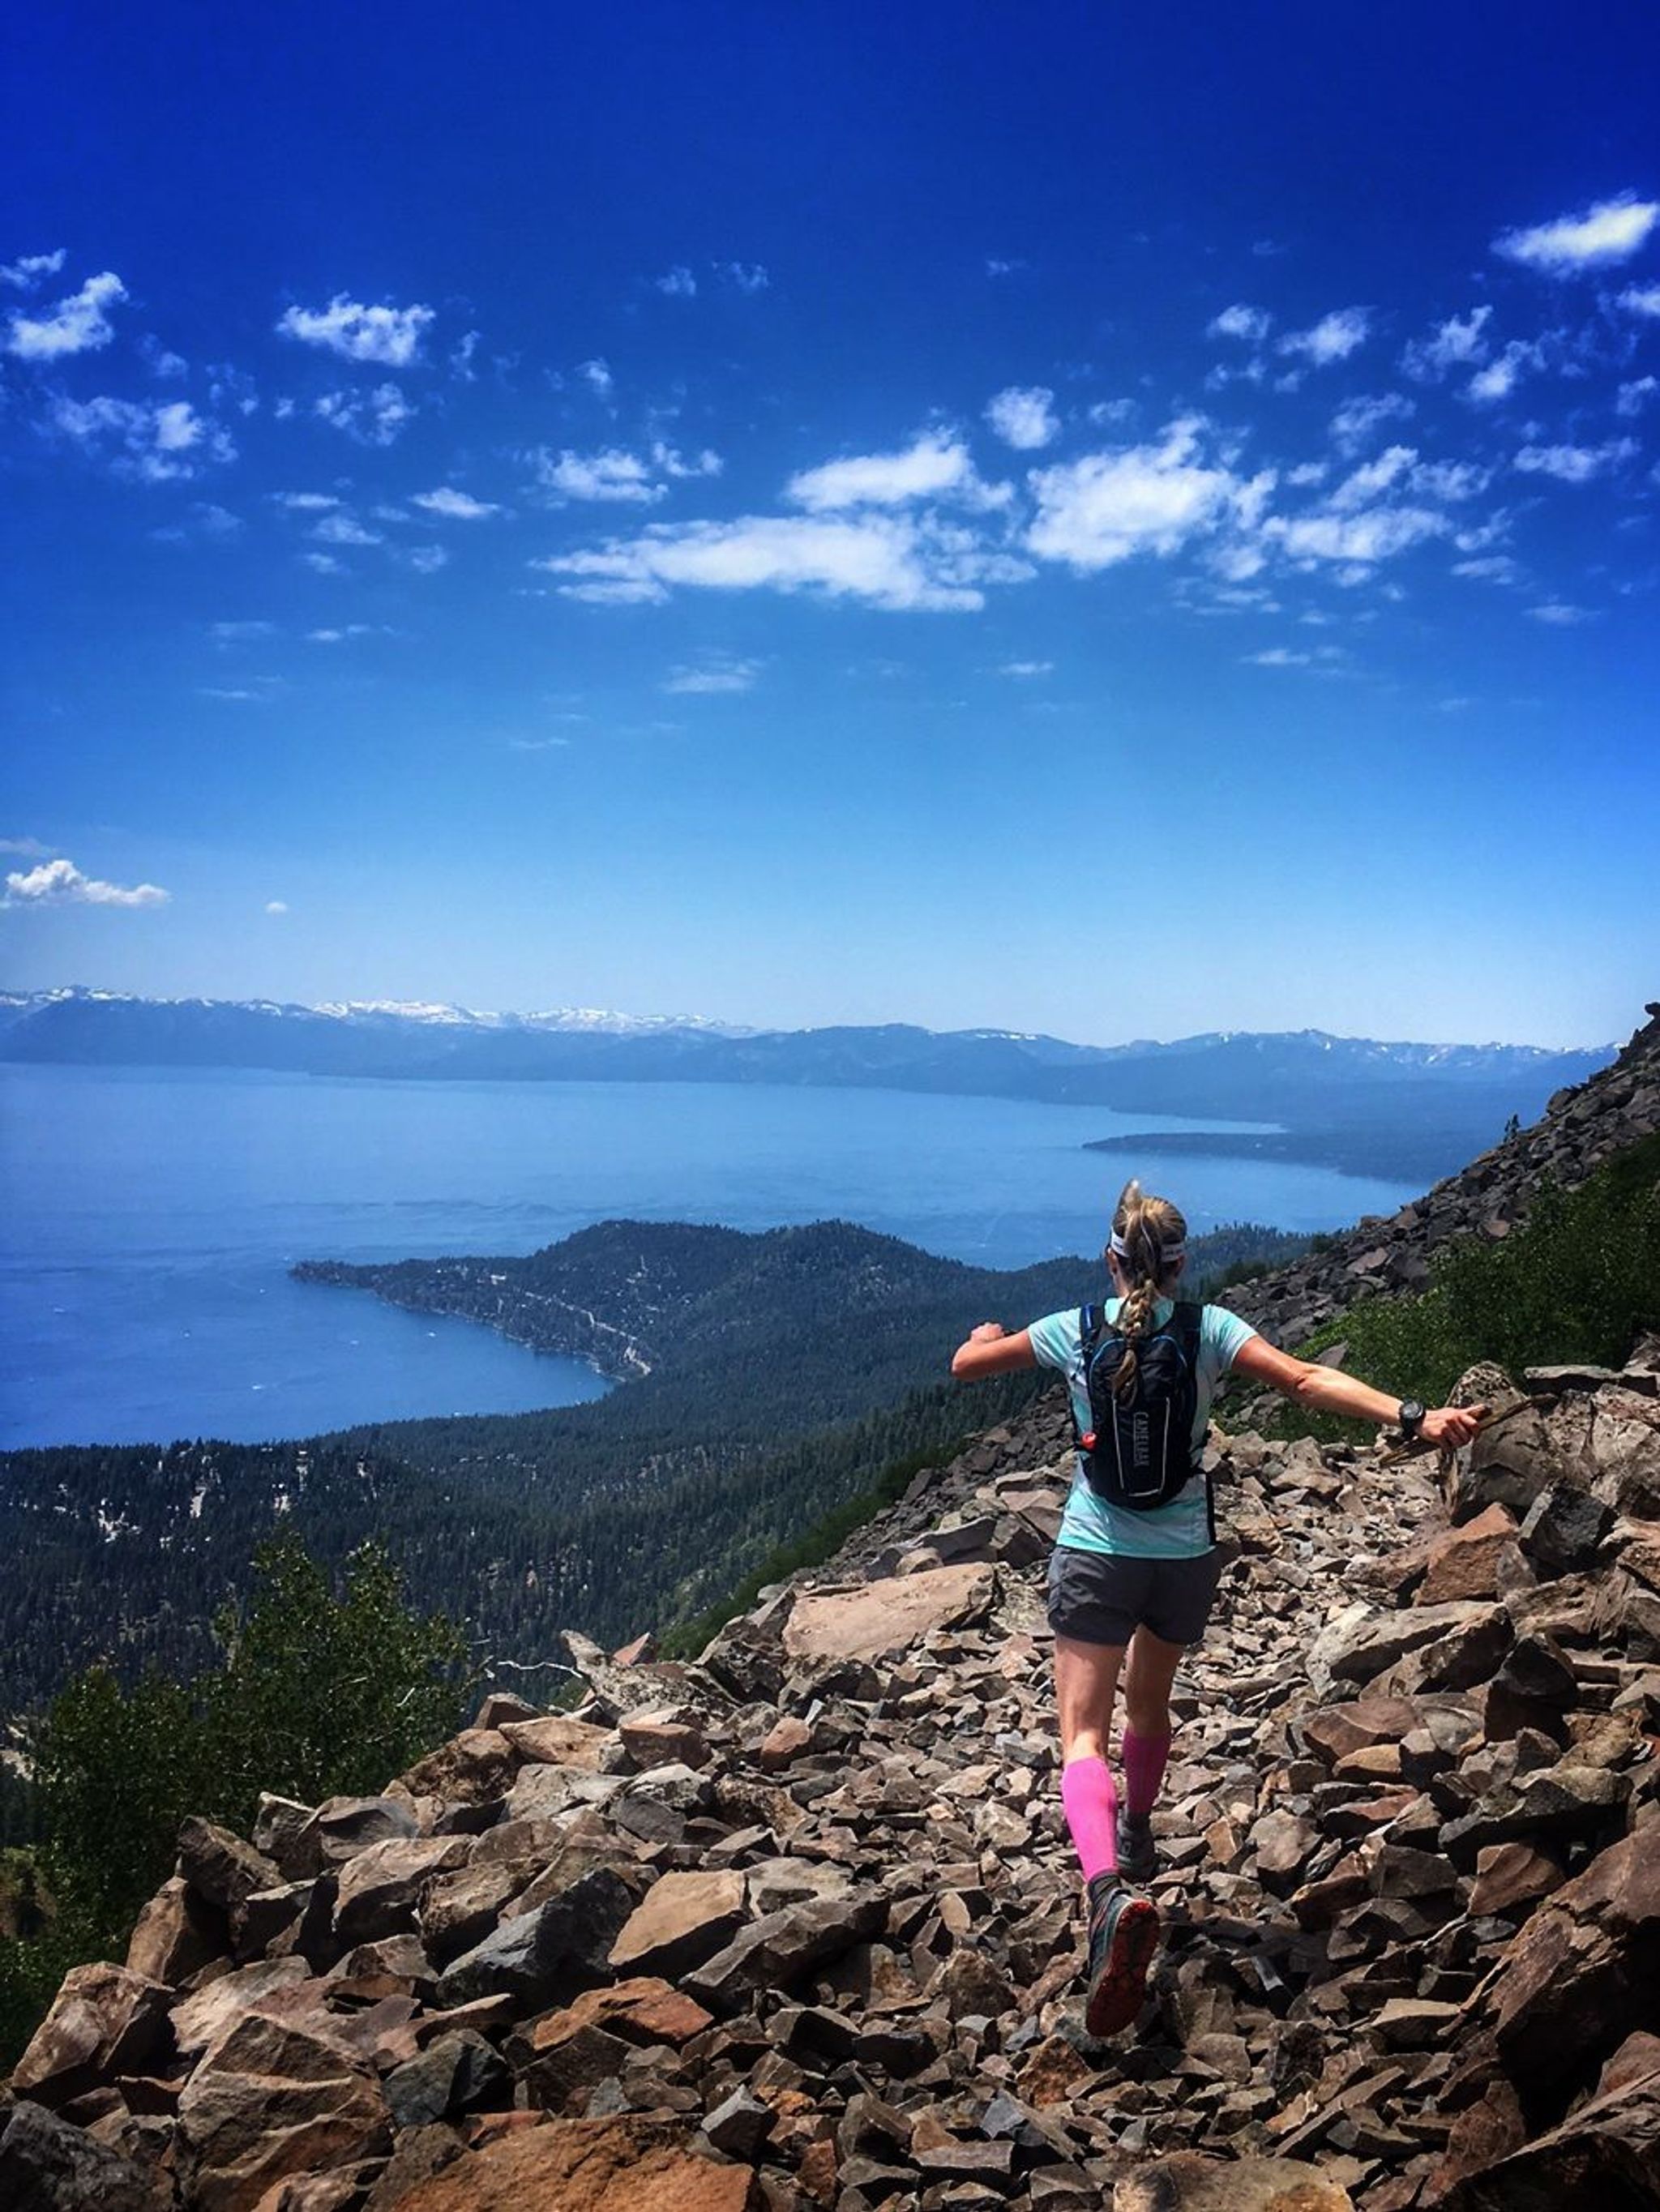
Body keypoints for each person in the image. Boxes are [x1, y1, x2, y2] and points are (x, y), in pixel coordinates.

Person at [949, 1179, 1485, 2040]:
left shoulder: (1072, 1329)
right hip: (1181, 1555)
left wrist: (979, 1338)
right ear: (1179, 1264)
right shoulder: (1208, 1329)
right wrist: (1413, 1415)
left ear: (1112, 1258)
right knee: (1150, 1703)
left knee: (1079, 1734)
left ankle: (1104, 1892)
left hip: (1095, 1547)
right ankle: (1136, 1831)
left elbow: (967, 1366)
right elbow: (1306, 1380)